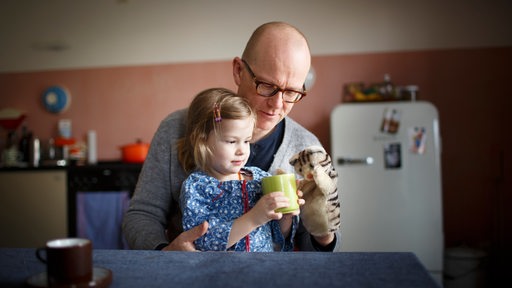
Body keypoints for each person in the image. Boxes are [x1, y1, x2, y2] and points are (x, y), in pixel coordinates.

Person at [123, 21, 341, 252]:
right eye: (267, 85)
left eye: (291, 92)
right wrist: (165, 253)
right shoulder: (177, 128)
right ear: (239, 71)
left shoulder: (306, 150)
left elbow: (314, 247)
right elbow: (141, 216)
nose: (277, 105)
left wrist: (322, 230)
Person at [178, 88, 299, 251]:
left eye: (247, 141)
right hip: (222, 272)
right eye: (231, 141)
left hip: (264, 268)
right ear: (202, 141)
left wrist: (285, 216)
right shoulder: (197, 187)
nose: (242, 150)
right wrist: (255, 218)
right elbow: (203, 241)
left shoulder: (260, 179)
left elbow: (278, 237)